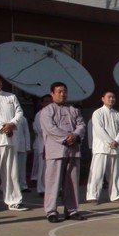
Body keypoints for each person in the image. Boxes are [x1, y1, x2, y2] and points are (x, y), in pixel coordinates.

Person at [39, 81, 86, 222]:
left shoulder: (74, 109)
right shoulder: (47, 111)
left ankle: (71, 210)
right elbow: (50, 129)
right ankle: (51, 211)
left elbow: (81, 124)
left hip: (73, 151)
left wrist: (76, 135)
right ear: (52, 94)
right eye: (59, 91)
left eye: (64, 91)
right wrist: (67, 137)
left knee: (71, 182)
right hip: (56, 151)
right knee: (53, 182)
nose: (62, 94)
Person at [0, 74, 29, 211]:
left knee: (11, 171)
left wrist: (12, 124)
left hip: (11, 138)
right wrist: (3, 127)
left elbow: (19, 112)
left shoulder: (11, 97)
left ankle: (14, 200)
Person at [86, 91, 119, 204]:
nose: (111, 99)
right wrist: (110, 141)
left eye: (113, 97)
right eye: (109, 97)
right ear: (103, 98)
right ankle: (92, 195)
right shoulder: (97, 113)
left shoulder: (117, 114)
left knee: (114, 174)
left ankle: (115, 195)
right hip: (101, 147)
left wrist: (117, 141)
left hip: (115, 148)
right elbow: (99, 129)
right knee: (97, 173)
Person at [32, 94, 52, 197]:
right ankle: (41, 189)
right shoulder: (39, 115)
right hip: (44, 144)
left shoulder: (55, 112)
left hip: (54, 145)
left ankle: (53, 189)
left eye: (50, 101)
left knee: (53, 169)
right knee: (43, 168)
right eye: (46, 101)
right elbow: (40, 130)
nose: (48, 103)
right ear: (42, 103)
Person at [14, 115, 31, 193]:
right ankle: (11, 186)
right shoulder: (7, 117)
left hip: (22, 145)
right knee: (11, 167)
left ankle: (23, 185)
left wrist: (27, 146)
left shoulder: (23, 118)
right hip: (11, 145)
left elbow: (26, 132)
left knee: (22, 167)